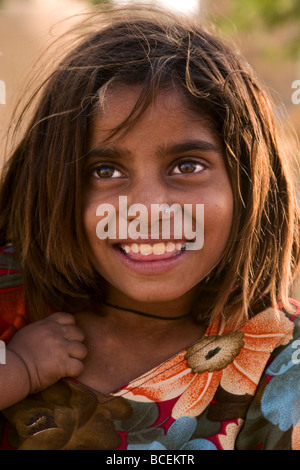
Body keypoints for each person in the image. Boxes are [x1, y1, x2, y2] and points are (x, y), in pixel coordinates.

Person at [0, 6, 299, 451]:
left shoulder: (281, 360)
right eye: (104, 170)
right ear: (54, 186)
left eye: (187, 165)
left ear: (247, 185)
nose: (148, 208)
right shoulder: (11, 294)